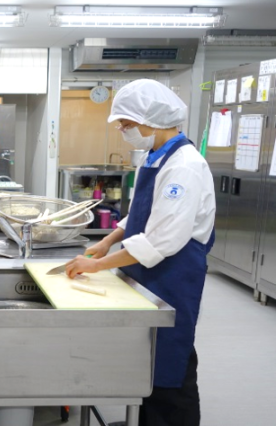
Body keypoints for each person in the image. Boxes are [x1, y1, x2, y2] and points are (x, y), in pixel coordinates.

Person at [65, 79, 215, 426]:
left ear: (153, 120)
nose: (123, 130)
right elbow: (140, 215)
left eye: (127, 124)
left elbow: (161, 241)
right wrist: (107, 240)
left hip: (173, 276)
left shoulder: (184, 166)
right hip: (147, 273)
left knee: (169, 357)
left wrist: (97, 265)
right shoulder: (154, 157)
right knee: (145, 356)